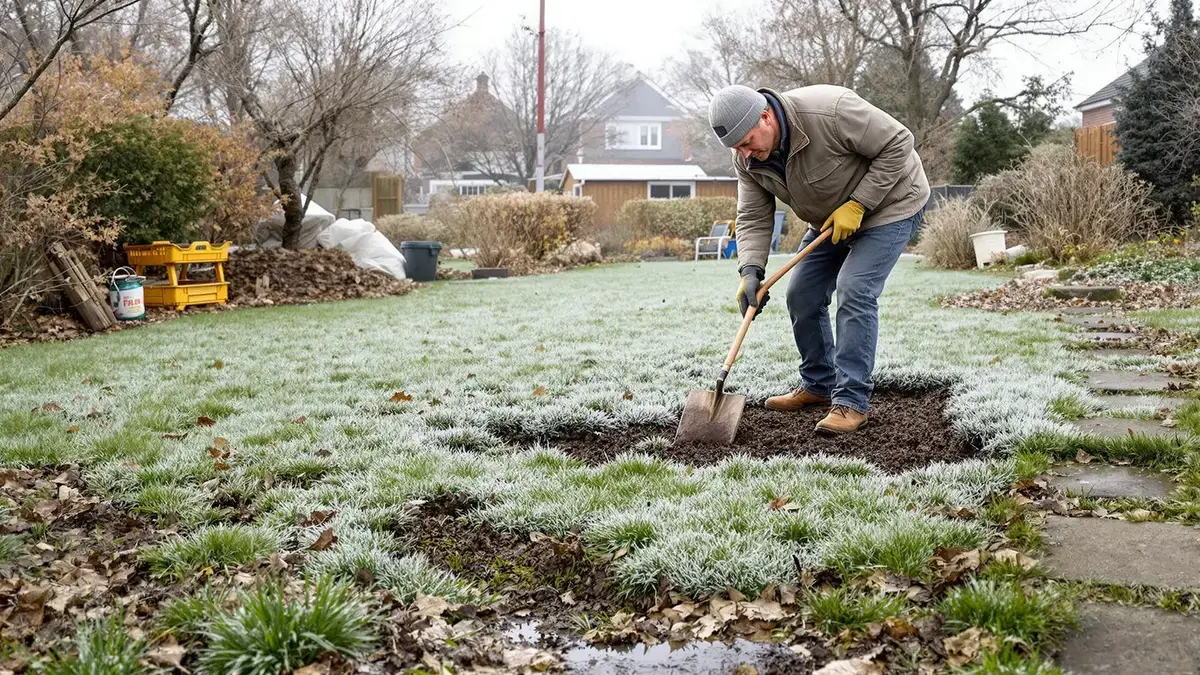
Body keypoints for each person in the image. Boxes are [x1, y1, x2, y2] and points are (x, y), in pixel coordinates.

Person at [708, 84, 930, 434]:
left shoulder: (829, 111)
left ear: (765, 117)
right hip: (829, 220)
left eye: (747, 142)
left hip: (891, 206)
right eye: (737, 148)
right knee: (802, 294)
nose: (746, 154)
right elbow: (753, 214)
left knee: (855, 288)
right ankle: (819, 383)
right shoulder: (747, 158)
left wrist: (859, 203)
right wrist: (750, 270)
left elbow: (899, 142)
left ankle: (851, 402)